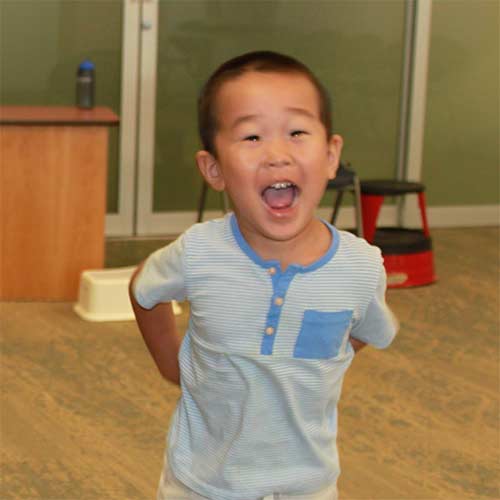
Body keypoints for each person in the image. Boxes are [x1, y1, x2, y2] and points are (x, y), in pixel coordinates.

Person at [129, 50, 398, 500]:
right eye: (251, 137)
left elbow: (366, 328)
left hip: (307, 485)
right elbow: (145, 288)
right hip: (201, 483)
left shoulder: (361, 265)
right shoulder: (199, 252)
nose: (277, 154)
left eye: (297, 132)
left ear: (331, 155)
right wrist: (170, 364)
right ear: (213, 168)